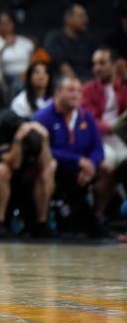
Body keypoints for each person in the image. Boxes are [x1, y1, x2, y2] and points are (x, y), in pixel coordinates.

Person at [33, 76, 110, 237]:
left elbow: (98, 149)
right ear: (58, 92)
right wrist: (77, 160)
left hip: (81, 169)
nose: (76, 95)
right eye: (70, 90)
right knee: (50, 165)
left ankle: (98, 216)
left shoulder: (85, 117)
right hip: (57, 167)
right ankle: (42, 222)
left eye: (78, 91)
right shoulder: (43, 117)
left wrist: (91, 164)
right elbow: (42, 149)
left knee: (106, 169)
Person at [0, 119, 57, 238]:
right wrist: (18, 139)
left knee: (49, 169)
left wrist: (45, 140)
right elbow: (15, 164)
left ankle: (42, 223)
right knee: (2, 170)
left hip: (28, 180)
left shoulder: (38, 135)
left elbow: (46, 164)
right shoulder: (2, 132)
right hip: (4, 178)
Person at [81, 47, 127, 220]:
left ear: (114, 65)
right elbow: (90, 119)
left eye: (102, 63)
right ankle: (98, 215)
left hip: (122, 141)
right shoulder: (88, 89)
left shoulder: (123, 87)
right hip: (100, 140)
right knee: (106, 166)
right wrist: (113, 128)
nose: (97, 68)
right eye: (94, 64)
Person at [43, 3, 95, 81]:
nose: (86, 20)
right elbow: (63, 67)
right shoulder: (55, 38)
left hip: (88, 79)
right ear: (68, 18)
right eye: (81, 16)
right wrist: (78, 86)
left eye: (86, 16)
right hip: (64, 81)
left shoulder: (89, 40)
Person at [0, 10, 35, 86]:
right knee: (19, 83)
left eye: (8, 22)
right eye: (1, 23)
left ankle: (46, 98)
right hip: (5, 76)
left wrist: (28, 73)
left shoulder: (24, 41)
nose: (5, 25)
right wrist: (4, 47)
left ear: (13, 24)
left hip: (26, 74)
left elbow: (33, 59)